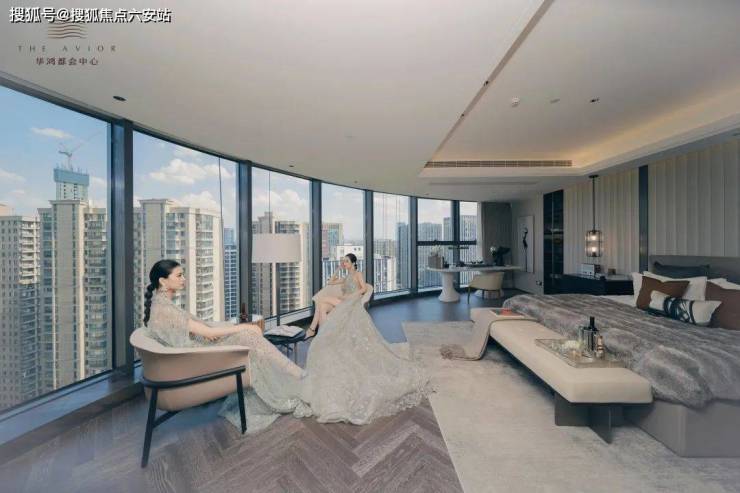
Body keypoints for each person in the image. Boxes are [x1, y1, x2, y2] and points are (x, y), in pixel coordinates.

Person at [143, 258, 428, 433]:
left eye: (183, 274)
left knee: (251, 338)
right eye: (179, 275)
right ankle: (297, 374)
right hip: (200, 362)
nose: (184, 279)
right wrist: (242, 327)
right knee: (251, 336)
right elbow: (207, 332)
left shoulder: (161, 306)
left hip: (196, 357)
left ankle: (295, 371)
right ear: (163, 281)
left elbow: (201, 330)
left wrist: (230, 330)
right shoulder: (166, 310)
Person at [307, 253, 365, 338]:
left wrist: (349, 296)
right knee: (322, 306)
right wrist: (338, 269)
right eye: (343, 261)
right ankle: (323, 334)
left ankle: (312, 329)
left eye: (347, 261)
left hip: (351, 302)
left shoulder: (358, 274)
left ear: (353, 263)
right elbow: (330, 282)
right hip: (342, 301)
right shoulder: (346, 277)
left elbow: (364, 289)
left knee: (321, 299)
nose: (344, 263)